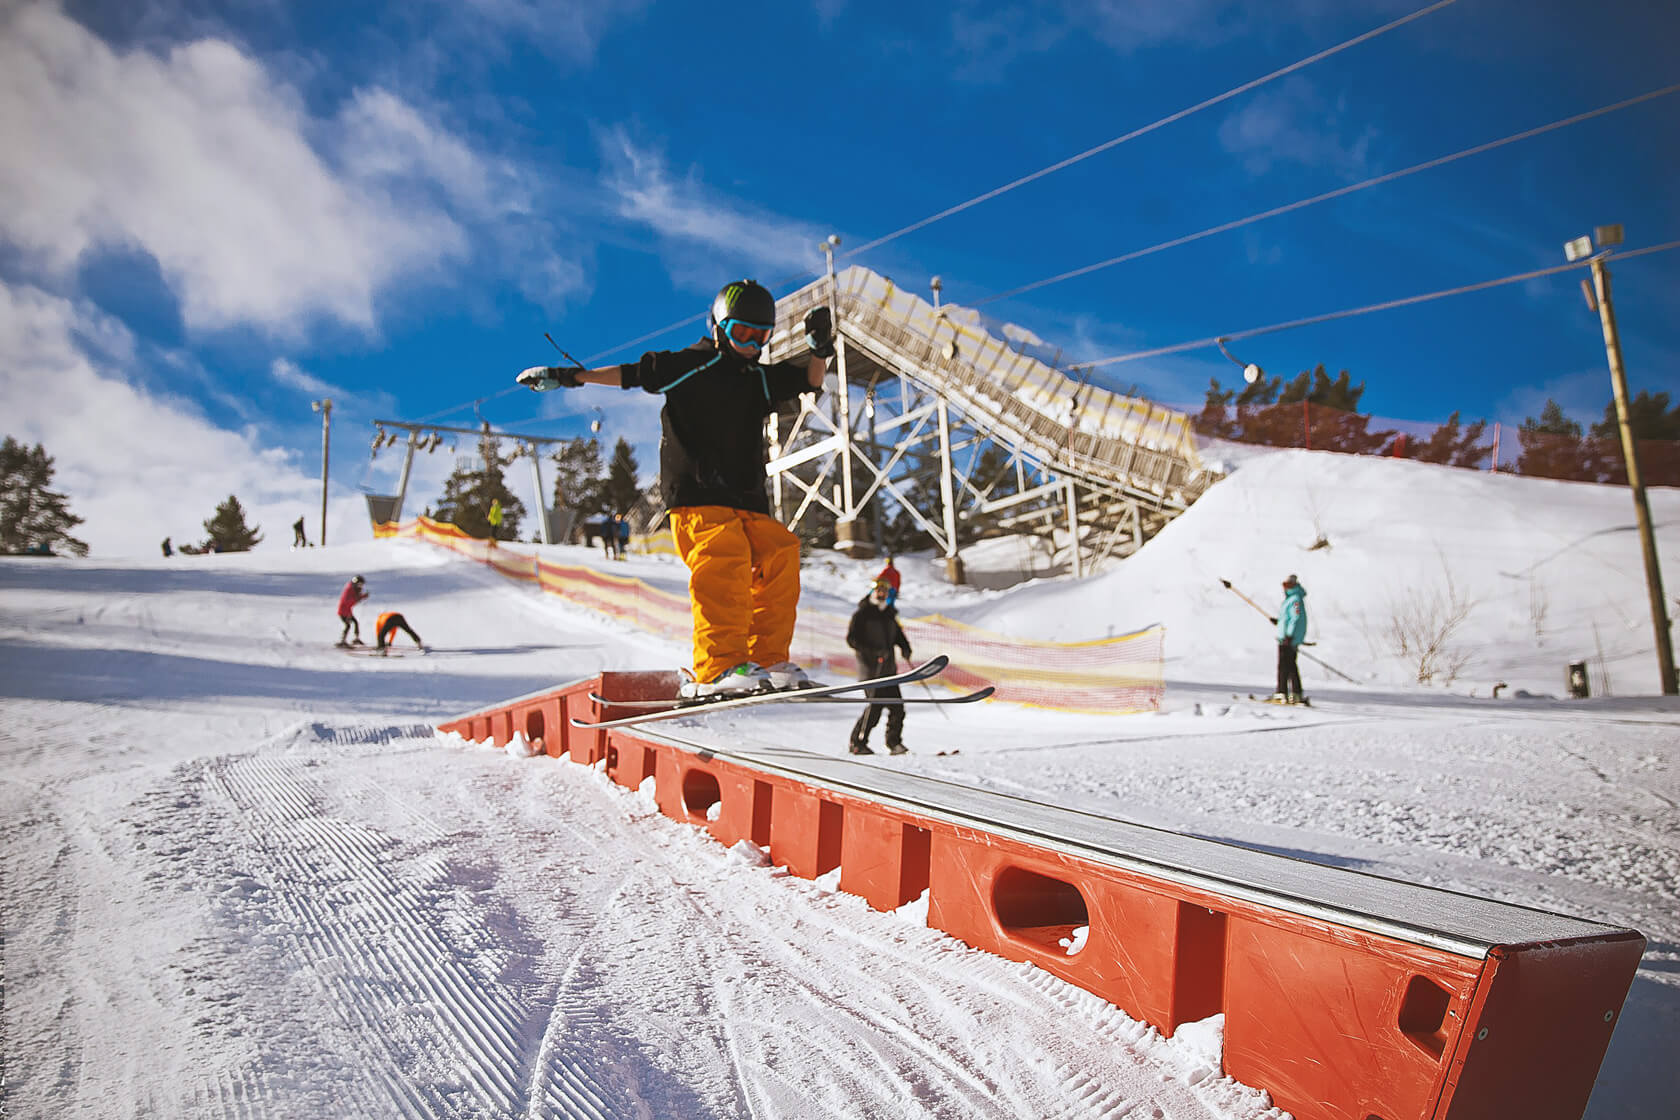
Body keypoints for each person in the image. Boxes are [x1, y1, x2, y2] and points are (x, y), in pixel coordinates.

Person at [518, 279, 831, 698]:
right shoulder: (692, 363)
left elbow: (809, 381)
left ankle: (768, 659)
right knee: (725, 560)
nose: (752, 344)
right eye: (743, 333)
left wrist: (820, 349)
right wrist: (574, 377)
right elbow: (632, 374)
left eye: (762, 336)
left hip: (749, 500)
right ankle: (718, 666)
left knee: (781, 555)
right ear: (720, 327)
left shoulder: (758, 377)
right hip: (698, 495)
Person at [846, 578, 913, 755]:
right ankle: (857, 742)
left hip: (889, 670)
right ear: (872, 592)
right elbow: (852, 640)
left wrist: (905, 648)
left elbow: (898, 635)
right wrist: (874, 652)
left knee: (897, 707)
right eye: (878, 591)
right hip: (871, 670)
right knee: (874, 708)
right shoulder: (862, 614)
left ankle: (894, 743)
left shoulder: (889, 613)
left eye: (884, 591)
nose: (881, 594)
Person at [1271, 574, 1308, 704]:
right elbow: (1288, 618)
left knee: (1284, 666)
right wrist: (1279, 621)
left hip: (1288, 639)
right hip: (1286, 637)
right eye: (1284, 585)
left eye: (1288, 585)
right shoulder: (1291, 599)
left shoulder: (1295, 599)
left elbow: (1295, 618)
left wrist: (1289, 635)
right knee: (1290, 666)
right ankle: (1294, 693)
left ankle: (1282, 692)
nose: (1285, 588)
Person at [336, 575, 369, 646]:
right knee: (348, 625)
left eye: (361, 585)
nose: (361, 586)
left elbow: (355, 598)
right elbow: (348, 601)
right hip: (343, 612)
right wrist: (359, 598)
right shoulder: (349, 589)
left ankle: (356, 638)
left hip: (348, 611)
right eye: (359, 584)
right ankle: (343, 641)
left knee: (355, 623)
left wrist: (363, 596)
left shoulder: (353, 589)